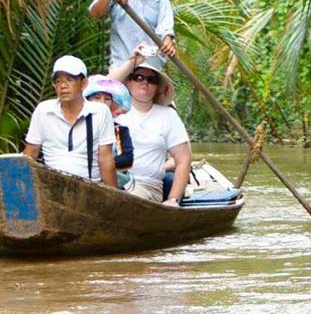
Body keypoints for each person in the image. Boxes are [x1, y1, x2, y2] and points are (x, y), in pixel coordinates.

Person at [109, 47, 191, 205]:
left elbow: (184, 159)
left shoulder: (168, 116)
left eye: (151, 79)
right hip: (110, 183)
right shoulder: (113, 111)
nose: (144, 83)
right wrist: (132, 62)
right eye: (137, 77)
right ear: (128, 81)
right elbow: (94, 88)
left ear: (158, 87)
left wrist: (173, 199)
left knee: (124, 200)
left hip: (146, 187)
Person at [23, 55, 116, 184]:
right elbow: (31, 153)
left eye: (69, 79)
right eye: (58, 81)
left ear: (83, 83)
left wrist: (113, 198)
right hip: (50, 185)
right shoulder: (44, 110)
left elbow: (106, 158)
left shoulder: (99, 112)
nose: (63, 86)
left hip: (90, 187)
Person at [85, 77, 136, 185]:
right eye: (97, 97)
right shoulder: (77, 125)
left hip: (109, 181)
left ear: (112, 103)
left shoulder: (119, 130)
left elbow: (127, 158)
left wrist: (100, 162)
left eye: (107, 99)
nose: (102, 102)